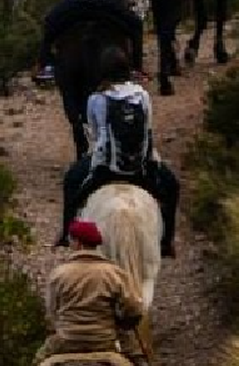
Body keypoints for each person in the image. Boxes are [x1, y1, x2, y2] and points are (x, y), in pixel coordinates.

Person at [32, 217, 164, 366]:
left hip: (66, 341)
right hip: (104, 341)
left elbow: (52, 312)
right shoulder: (114, 273)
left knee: (38, 364)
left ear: (77, 243)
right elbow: (134, 308)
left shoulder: (59, 274)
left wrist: (65, 324)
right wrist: (124, 322)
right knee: (143, 363)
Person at [56, 46, 180, 258]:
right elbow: (148, 128)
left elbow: (95, 135)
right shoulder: (142, 94)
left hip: (105, 166)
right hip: (141, 166)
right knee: (173, 188)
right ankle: (167, 241)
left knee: (71, 182)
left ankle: (67, 233)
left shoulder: (96, 99)